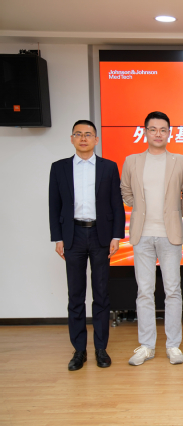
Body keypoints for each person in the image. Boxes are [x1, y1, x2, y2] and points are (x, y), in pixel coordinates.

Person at [49, 120, 125, 371]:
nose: (83, 138)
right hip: (73, 236)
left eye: (88, 134)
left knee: (101, 293)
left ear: (96, 139)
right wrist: (58, 238)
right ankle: (79, 350)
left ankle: (101, 348)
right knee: (76, 295)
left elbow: (116, 204)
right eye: (78, 134)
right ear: (72, 138)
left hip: (101, 235)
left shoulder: (108, 167)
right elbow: (54, 205)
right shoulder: (59, 168)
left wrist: (116, 236)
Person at [120, 111, 183, 366]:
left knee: (172, 290)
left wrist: (176, 212)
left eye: (163, 129)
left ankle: (173, 346)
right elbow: (126, 191)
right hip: (142, 234)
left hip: (170, 234)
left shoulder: (180, 161)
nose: (158, 134)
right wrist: (140, 208)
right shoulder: (132, 161)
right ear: (145, 132)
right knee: (144, 291)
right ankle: (147, 346)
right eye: (153, 129)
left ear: (169, 133)